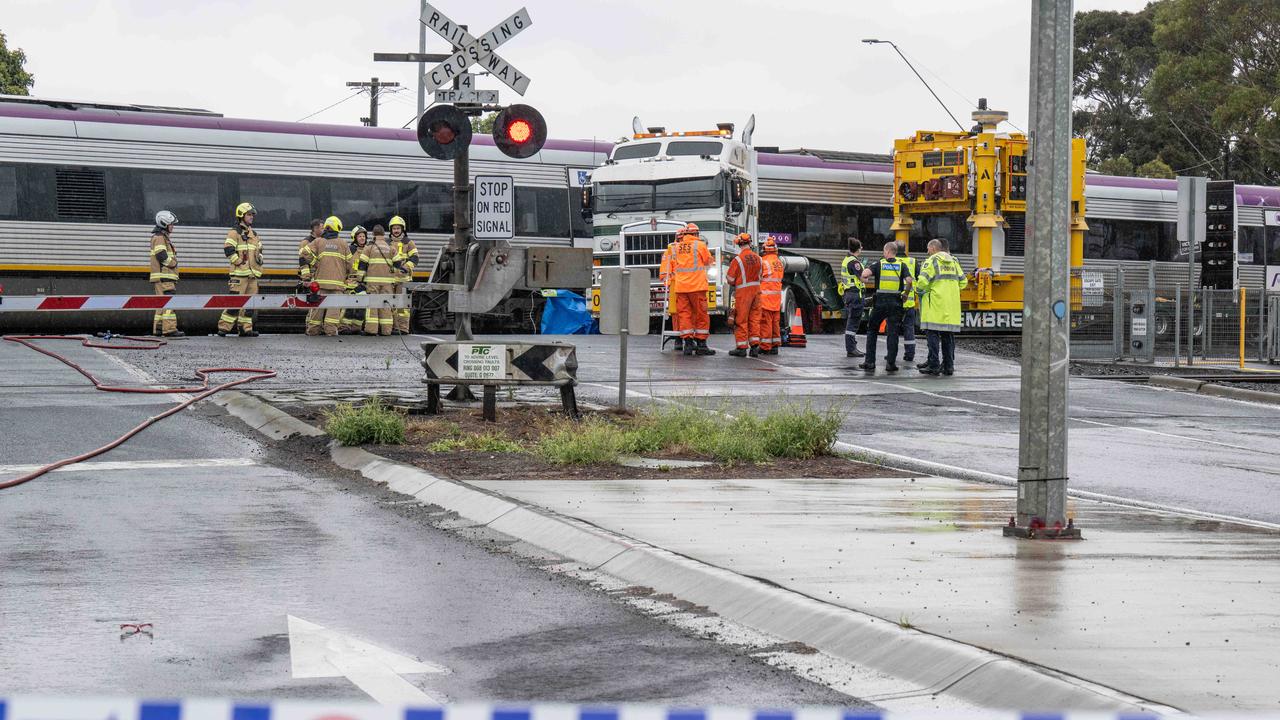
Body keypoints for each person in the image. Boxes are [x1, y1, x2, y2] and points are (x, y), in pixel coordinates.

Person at [914, 238, 968, 376]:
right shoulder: (954, 262)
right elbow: (963, 283)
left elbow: (922, 283)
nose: (927, 251)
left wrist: (921, 290)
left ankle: (933, 365)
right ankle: (948, 367)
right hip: (951, 307)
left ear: (933, 248)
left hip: (935, 306)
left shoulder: (931, 261)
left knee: (932, 335)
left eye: (928, 249)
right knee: (947, 337)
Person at [859, 241, 912, 373]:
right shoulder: (901, 265)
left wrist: (864, 280)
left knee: (872, 330)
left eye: (884, 251)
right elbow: (910, 281)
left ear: (887, 251)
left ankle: (870, 362)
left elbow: (865, 274)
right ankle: (891, 364)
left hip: (880, 303)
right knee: (893, 333)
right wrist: (905, 294)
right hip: (895, 303)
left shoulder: (879, 264)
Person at [299, 216, 351, 337]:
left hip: (320, 285)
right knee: (332, 317)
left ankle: (313, 331)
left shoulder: (318, 241)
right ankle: (330, 333)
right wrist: (346, 274)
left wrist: (316, 263)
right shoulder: (343, 244)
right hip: (337, 286)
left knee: (317, 313)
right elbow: (351, 264)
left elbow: (304, 253)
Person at [669, 222, 715, 356]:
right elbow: (708, 261)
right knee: (701, 315)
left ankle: (688, 344)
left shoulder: (676, 247)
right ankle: (701, 344)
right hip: (697, 286)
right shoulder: (700, 245)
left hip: (681, 287)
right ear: (696, 234)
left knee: (684, 315)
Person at [217, 202, 262, 337]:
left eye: (252, 215)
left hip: (252, 275)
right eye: (249, 215)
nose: (251, 217)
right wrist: (240, 262)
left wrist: (260, 259)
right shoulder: (234, 233)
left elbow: (259, 250)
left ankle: (245, 329)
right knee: (234, 303)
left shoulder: (253, 234)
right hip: (239, 275)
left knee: (250, 305)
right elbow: (228, 250)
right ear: (241, 216)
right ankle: (224, 328)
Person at [725, 232, 762, 357]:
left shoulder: (738, 259)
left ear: (738, 244)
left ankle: (741, 347)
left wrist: (737, 282)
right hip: (757, 291)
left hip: (743, 293)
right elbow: (761, 275)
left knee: (741, 320)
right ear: (750, 243)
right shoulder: (758, 258)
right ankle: (755, 346)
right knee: (755, 319)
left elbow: (730, 278)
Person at [356, 224, 396, 336]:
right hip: (387, 283)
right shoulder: (390, 247)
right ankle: (386, 331)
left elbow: (362, 265)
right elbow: (398, 263)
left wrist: (359, 279)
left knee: (373, 305)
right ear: (384, 234)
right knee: (386, 305)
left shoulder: (369, 247)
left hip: (373, 282)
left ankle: (371, 330)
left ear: (373, 234)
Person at [148, 210, 183, 337]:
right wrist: (172, 263)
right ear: (164, 224)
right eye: (171, 224)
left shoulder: (159, 237)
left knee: (161, 304)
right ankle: (169, 329)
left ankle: (158, 328)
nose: (172, 226)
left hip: (162, 277)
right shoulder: (160, 238)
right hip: (165, 276)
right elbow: (161, 255)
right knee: (170, 302)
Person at [388, 216, 417, 335]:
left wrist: (406, 267)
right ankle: (393, 328)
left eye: (398, 228)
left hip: (403, 280)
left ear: (402, 229)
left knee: (402, 307)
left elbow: (415, 258)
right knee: (390, 305)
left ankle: (403, 329)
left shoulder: (408, 242)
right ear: (391, 230)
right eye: (394, 228)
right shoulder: (387, 243)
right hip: (390, 280)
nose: (396, 230)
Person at [838, 237, 866, 358]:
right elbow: (863, 278)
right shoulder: (854, 262)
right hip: (855, 294)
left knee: (852, 321)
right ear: (858, 249)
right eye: (861, 247)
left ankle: (852, 346)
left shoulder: (846, 260)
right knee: (853, 322)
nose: (862, 249)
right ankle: (851, 349)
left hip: (849, 293)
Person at [758, 236, 786, 355]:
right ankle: (775, 345)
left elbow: (759, 278)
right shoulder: (779, 262)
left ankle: (765, 346)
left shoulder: (763, 262)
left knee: (765, 323)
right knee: (775, 323)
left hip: (765, 298)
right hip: (776, 298)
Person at [341, 225, 369, 335]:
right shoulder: (350, 250)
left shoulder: (368, 250)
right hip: (350, 282)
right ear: (355, 238)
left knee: (362, 306)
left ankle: (356, 327)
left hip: (364, 283)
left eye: (364, 236)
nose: (362, 238)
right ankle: (344, 327)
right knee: (348, 306)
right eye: (360, 236)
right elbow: (343, 266)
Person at [896, 241, 920, 363]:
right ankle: (910, 354)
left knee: (893, 329)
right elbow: (919, 279)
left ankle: (892, 353)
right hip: (909, 302)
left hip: (895, 302)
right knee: (909, 329)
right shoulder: (913, 261)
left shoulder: (889, 261)